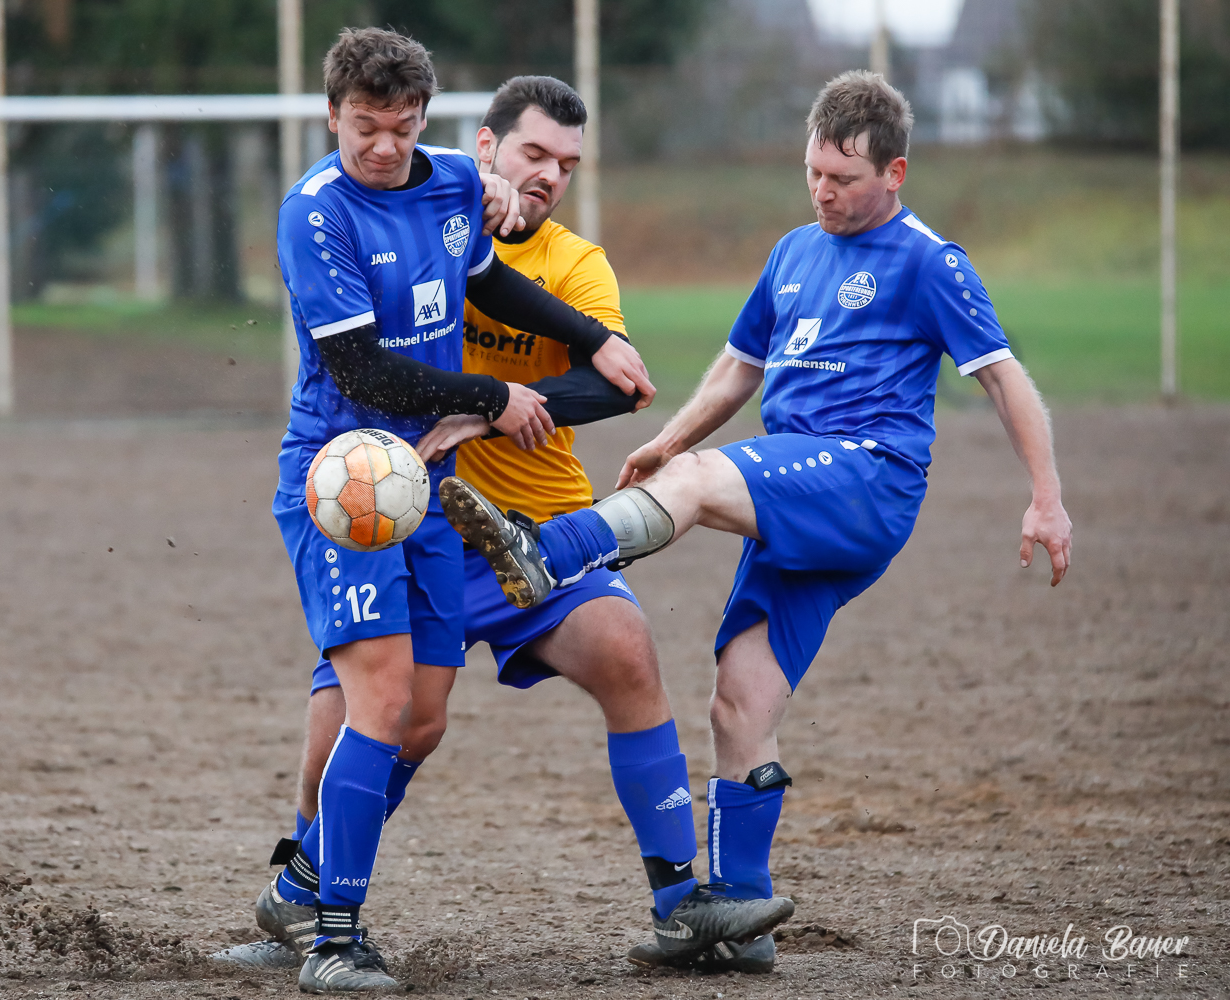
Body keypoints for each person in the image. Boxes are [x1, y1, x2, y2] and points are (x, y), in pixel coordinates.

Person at [442, 69, 1074, 970]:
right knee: (740, 699)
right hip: (797, 494)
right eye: (813, 172)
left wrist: (1046, 497)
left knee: (701, 484)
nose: (824, 191)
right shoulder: (793, 252)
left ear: (894, 174)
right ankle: (739, 917)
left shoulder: (928, 261)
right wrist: (667, 441)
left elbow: (1004, 377)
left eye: (844, 179)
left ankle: (550, 551)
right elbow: (741, 368)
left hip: (866, 478)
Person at [217, 74, 791, 982]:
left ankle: (681, 902)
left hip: (531, 532)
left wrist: (500, 403)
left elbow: (620, 381)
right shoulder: (402, 205)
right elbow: (365, 366)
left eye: (567, 163)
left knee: (627, 651)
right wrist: (489, 395)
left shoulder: (571, 264)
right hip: (397, 502)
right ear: (484, 148)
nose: (549, 175)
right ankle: (303, 892)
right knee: (375, 722)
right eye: (532, 153)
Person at [259, 29, 656, 993]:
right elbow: (362, 370)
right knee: (381, 698)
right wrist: (491, 397)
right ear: (332, 115)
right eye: (365, 126)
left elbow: (489, 281)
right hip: (347, 480)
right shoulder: (315, 214)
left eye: (401, 127)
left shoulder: (447, 181)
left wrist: (592, 339)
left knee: (424, 720)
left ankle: (298, 885)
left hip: (426, 484)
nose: (383, 146)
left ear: (424, 120)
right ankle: (335, 941)